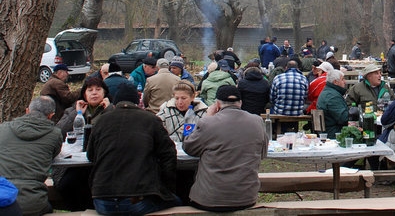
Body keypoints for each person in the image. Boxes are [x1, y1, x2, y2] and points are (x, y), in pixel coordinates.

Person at [87, 84, 181, 215]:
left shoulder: (101, 120)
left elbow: (91, 155)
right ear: (138, 102)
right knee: (178, 202)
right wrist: (167, 188)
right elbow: (169, 155)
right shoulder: (151, 120)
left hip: (101, 201)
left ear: (115, 103)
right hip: (136, 201)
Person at [183, 85, 267, 212]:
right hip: (245, 198)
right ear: (240, 103)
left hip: (209, 199)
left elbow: (188, 147)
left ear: (217, 104)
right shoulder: (257, 121)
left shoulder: (208, 122)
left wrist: (207, 117)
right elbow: (263, 153)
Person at [53, 76, 114, 211]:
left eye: (98, 89)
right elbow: (59, 132)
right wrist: (77, 113)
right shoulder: (72, 111)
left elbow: (117, 130)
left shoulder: (112, 110)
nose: (94, 93)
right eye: (90, 90)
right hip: (76, 162)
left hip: (103, 161)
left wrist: (109, 110)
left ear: (104, 93)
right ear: (84, 94)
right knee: (66, 184)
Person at [0, 96, 63, 216]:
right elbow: (54, 154)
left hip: (4, 201)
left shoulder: (3, 128)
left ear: (27, 110)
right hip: (34, 201)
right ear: (51, 115)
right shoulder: (55, 134)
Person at [270, 60, 308, 132]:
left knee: (272, 108)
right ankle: (290, 130)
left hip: (280, 111)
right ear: (298, 68)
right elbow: (305, 97)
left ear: (286, 68)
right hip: (297, 112)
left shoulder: (278, 78)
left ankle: (276, 131)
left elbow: (272, 98)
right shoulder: (303, 78)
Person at [315, 70, 350, 139]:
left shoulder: (329, 92)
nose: (345, 82)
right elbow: (344, 119)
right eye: (342, 79)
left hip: (329, 131)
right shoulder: (332, 96)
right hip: (335, 134)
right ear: (335, 82)